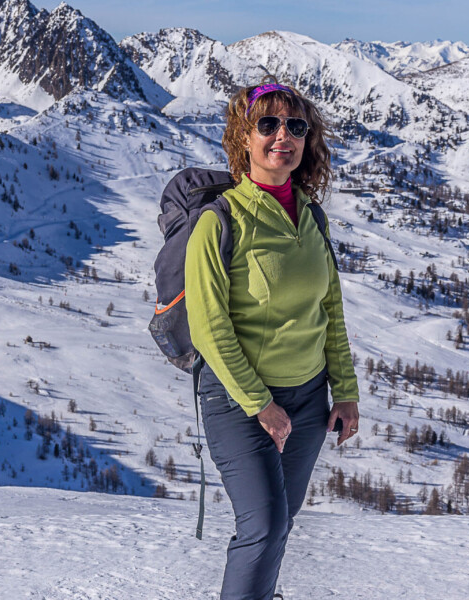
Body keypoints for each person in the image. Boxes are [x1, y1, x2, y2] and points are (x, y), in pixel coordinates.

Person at [185, 80, 360, 600]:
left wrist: (345, 392)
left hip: (307, 398)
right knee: (262, 526)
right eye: (268, 124)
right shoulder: (220, 221)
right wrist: (261, 405)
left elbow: (329, 310)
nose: (283, 136)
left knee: (280, 521)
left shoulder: (311, 217)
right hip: (239, 401)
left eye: (296, 126)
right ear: (244, 138)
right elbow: (209, 328)